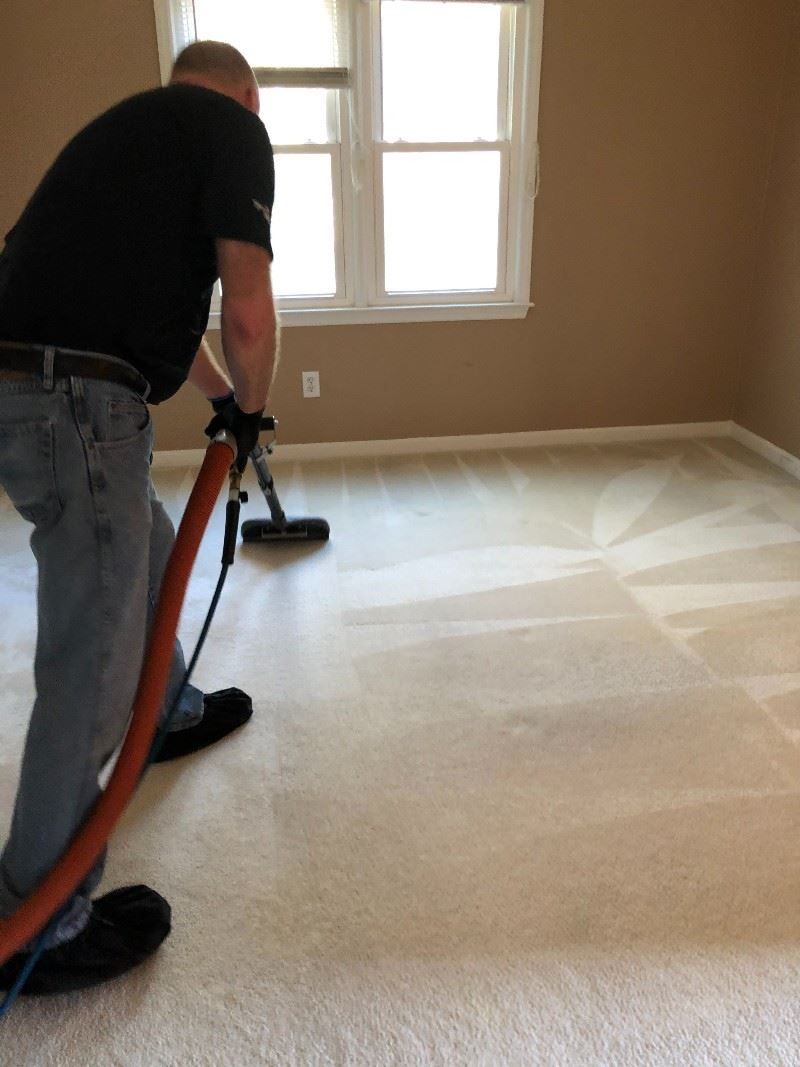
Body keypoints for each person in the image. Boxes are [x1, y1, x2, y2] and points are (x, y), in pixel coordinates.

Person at [0, 40, 279, 995]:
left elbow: (181, 329)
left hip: (42, 386)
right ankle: (42, 915)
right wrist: (249, 410)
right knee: (93, 659)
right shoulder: (235, 133)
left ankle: (173, 705)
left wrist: (214, 397)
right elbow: (246, 313)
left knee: (148, 549)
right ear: (250, 96)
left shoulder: (146, 134)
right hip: (72, 398)